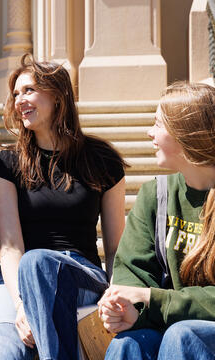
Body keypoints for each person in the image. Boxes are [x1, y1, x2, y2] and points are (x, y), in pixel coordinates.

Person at [0, 54, 126, 360]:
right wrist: (20, 305)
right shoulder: (6, 164)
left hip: (81, 275)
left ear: (57, 96)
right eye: (15, 94)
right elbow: (12, 246)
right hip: (16, 279)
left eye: (29, 90)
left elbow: (115, 247)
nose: (19, 100)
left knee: (40, 261)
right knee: (0, 351)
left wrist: (118, 296)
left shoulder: (102, 159)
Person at [98, 81, 215, 360]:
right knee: (128, 344)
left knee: (183, 335)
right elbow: (131, 273)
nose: (149, 132)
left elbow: (152, 298)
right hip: (174, 322)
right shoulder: (156, 194)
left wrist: (154, 300)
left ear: (186, 135)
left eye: (158, 124)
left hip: (193, 335)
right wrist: (124, 308)